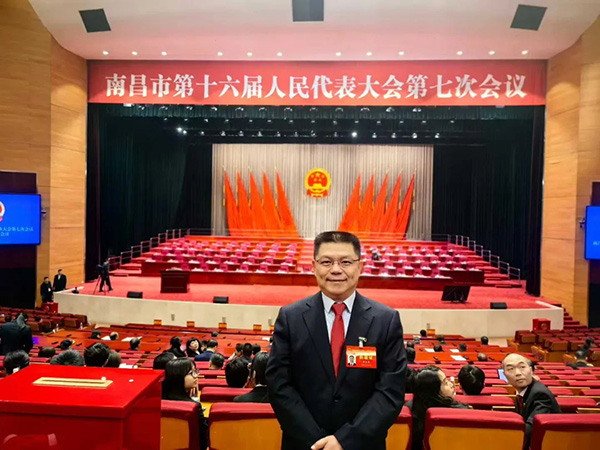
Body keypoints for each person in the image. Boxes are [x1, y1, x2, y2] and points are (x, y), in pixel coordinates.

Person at [266, 231, 407, 450]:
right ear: (314, 267)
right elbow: (279, 385)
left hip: (362, 445)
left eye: (346, 262)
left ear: (360, 267)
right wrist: (318, 442)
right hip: (305, 444)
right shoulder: (290, 318)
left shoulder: (386, 320)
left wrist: (345, 441)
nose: (335, 270)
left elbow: (390, 391)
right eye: (326, 262)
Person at [502, 353, 561, 447]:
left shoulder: (540, 394)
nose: (518, 373)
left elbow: (532, 429)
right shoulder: (522, 391)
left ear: (531, 370)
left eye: (522, 367)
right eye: (511, 369)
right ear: (504, 375)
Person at [408, 366, 468, 450]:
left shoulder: (407, 410)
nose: (451, 384)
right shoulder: (463, 413)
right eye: (445, 382)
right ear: (434, 392)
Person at [162, 358, 208, 450]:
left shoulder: (158, 401)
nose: (196, 376)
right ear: (178, 378)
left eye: (195, 372)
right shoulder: (194, 407)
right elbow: (203, 440)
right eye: (191, 373)